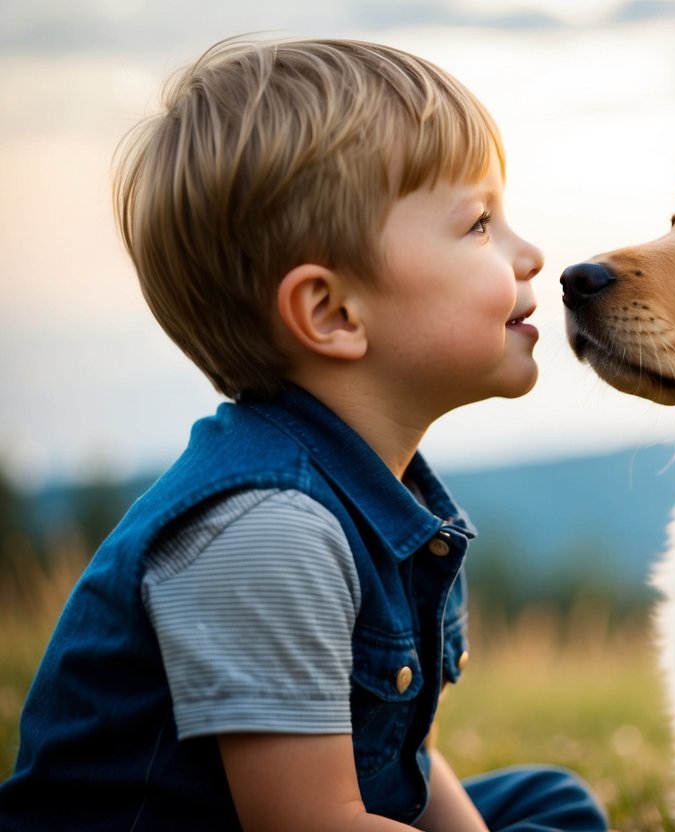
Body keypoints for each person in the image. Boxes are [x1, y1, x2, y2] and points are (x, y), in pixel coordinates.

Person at [0, 38, 607, 832]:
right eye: (479, 224)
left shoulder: (374, 497)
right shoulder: (267, 531)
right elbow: (311, 822)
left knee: (548, 801)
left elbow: (393, 751)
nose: (528, 254)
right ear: (331, 313)